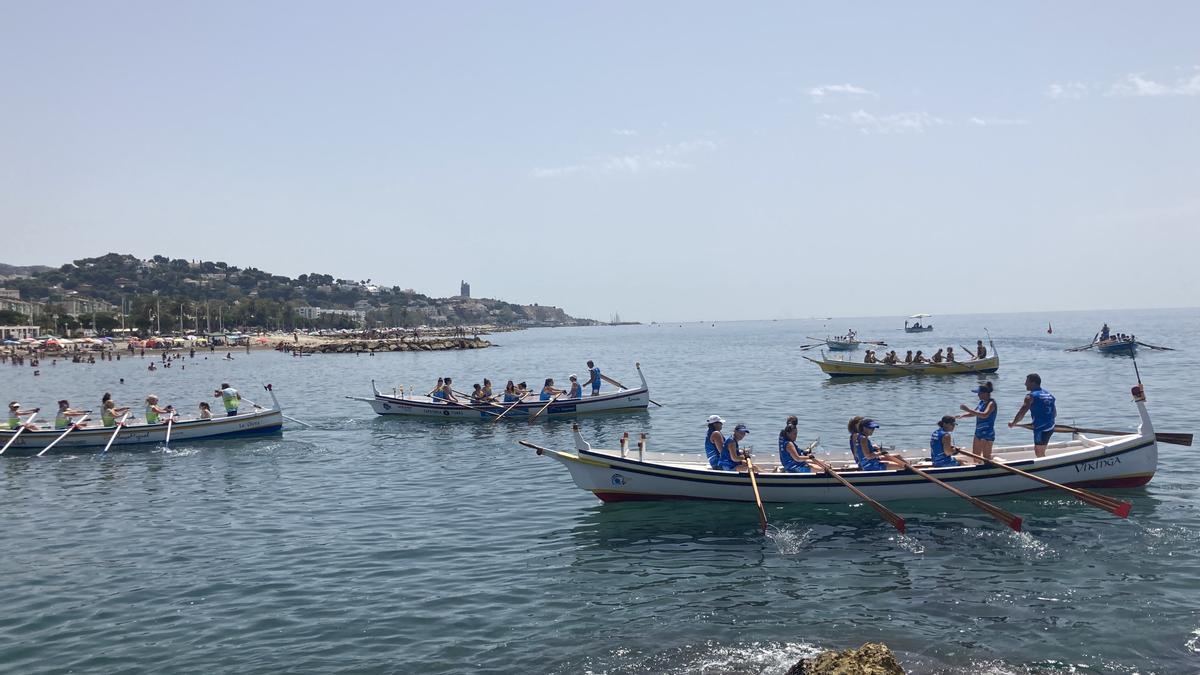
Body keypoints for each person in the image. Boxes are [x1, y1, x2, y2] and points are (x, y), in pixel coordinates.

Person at [1009, 373, 1056, 457]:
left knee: (1039, 452)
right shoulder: (1049, 395)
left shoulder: (1030, 396)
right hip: (1051, 427)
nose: (1025, 384)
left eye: (1027, 381)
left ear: (1033, 383)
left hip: (1040, 428)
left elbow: (1022, 412)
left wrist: (1013, 423)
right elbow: (1054, 414)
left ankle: (1044, 468)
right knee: (1041, 450)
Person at [958, 381, 997, 459]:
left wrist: (968, 409)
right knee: (975, 456)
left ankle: (987, 469)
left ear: (985, 393)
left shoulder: (992, 403)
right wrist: (962, 415)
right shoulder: (981, 402)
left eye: (979, 393)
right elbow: (974, 413)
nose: (978, 395)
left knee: (986, 457)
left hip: (987, 432)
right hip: (978, 431)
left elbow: (985, 415)